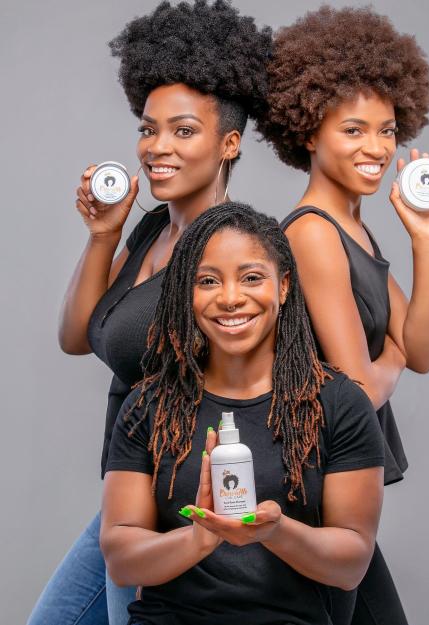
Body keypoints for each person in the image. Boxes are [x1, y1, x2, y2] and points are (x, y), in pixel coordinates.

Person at [28, 2, 271, 624]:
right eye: (147, 128)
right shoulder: (152, 231)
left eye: (182, 131)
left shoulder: (227, 253)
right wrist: (103, 234)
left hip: (175, 505)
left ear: (229, 143)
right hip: (127, 496)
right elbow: (78, 337)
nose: (156, 148)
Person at [101, 202, 386, 625]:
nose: (231, 299)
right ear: (186, 292)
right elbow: (122, 560)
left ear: (284, 286)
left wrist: (275, 531)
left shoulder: (338, 404)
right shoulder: (149, 406)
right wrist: (199, 538)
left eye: (252, 278)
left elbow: (351, 566)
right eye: (208, 281)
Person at [257, 6, 429, 625]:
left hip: (338, 480)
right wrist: (388, 357)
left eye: (387, 130)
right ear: (309, 132)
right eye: (354, 130)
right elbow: (362, 388)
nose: (377, 149)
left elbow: (424, 350)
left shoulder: (354, 229)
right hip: (310, 483)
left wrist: (424, 243)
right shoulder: (312, 233)